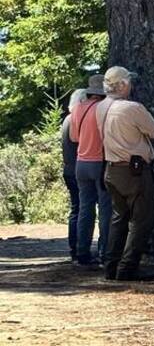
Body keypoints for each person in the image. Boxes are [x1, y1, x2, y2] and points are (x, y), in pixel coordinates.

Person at [96, 66, 154, 282]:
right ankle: (127, 267)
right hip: (133, 172)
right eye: (128, 82)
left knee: (119, 218)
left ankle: (111, 265)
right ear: (123, 85)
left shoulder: (100, 108)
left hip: (111, 169)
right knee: (141, 220)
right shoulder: (132, 108)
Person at [70, 74, 111, 267]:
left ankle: (82, 252)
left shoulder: (78, 108)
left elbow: (74, 137)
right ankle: (105, 252)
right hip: (99, 162)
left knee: (85, 208)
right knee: (105, 208)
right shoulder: (103, 108)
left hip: (81, 162)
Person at [60, 89, 87, 262]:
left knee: (76, 208)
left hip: (69, 169)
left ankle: (74, 248)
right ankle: (79, 248)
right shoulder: (76, 120)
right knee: (82, 208)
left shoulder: (67, 120)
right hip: (78, 169)